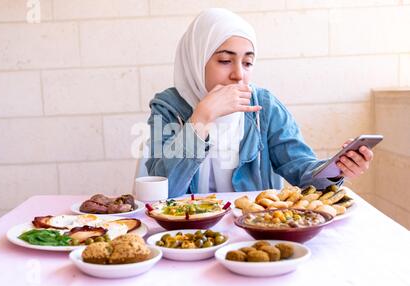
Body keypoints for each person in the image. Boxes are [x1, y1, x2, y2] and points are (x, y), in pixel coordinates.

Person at [145, 8, 373, 198]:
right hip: (188, 235)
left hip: (255, 232)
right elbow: (161, 194)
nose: (238, 75)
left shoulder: (264, 106)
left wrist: (336, 169)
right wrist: (201, 118)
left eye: (247, 63)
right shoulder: (167, 108)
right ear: (196, 59)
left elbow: (302, 170)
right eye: (225, 60)